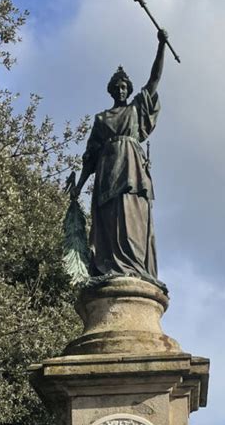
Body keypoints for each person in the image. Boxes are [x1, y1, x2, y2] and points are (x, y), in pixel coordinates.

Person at [71, 29, 169, 288]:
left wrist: (161, 46)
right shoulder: (101, 120)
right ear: (111, 90)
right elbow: (89, 157)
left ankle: (136, 268)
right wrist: (78, 188)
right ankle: (111, 266)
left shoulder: (136, 109)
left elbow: (155, 79)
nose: (122, 89)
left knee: (134, 216)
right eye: (118, 87)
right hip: (107, 175)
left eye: (125, 86)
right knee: (110, 221)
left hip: (133, 172)